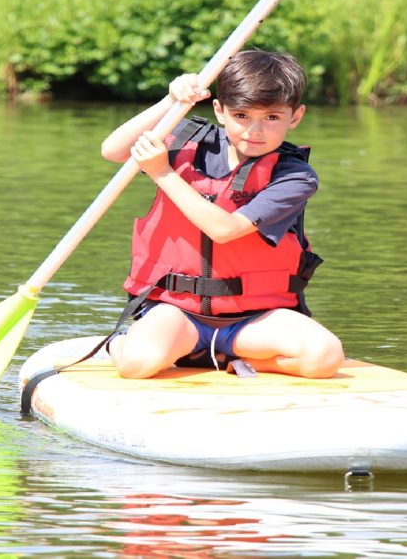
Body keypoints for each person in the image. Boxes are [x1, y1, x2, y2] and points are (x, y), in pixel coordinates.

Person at [99, 49, 344, 380]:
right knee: (137, 365)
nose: (254, 131)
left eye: (271, 118)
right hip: (178, 313)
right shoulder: (185, 140)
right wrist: (171, 103)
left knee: (324, 357)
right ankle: (122, 344)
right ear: (220, 110)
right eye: (241, 115)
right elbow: (113, 150)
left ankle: (238, 365)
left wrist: (162, 174)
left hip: (254, 321)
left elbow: (224, 229)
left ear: (295, 116)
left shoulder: (294, 176)